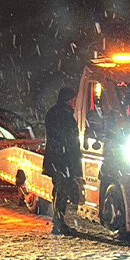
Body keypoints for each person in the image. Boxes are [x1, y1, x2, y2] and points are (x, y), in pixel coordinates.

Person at [44, 86, 83, 235]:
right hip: (61, 160)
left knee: (60, 190)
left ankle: (58, 221)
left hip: (59, 159)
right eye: (73, 99)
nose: (74, 102)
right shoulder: (61, 115)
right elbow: (66, 139)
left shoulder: (56, 113)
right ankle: (59, 223)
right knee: (62, 191)